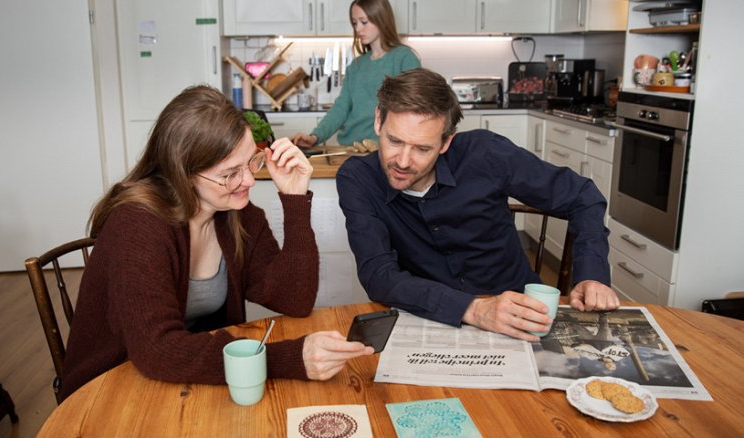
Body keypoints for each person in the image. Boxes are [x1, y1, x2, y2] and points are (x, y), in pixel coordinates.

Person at [60, 85, 373, 401]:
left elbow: (294, 299)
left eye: (252, 161)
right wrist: (286, 359)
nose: (249, 181)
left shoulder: (238, 215)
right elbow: (157, 350)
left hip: (194, 376)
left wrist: (294, 199)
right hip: (111, 389)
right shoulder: (137, 225)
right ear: (184, 174)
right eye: (229, 174)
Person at [336, 68, 620, 343]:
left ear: (447, 141)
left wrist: (592, 276)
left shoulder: (487, 154)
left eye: (422, 149)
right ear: (378, 121)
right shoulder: (358, 178)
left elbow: (583, 196)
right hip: (432, 319)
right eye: (394, 141)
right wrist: (475, 310)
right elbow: (379, 276)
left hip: (521, 313)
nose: (403, 161)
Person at [291, 0, 420, 147]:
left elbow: (414, 109)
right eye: (354, 23)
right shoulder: (356, 65)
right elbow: (341, 107)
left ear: (381, 20)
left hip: (385, 149)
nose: (358, 28)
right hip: (351, 148)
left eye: (363, 22)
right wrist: (314, 137)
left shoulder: (404, 58)